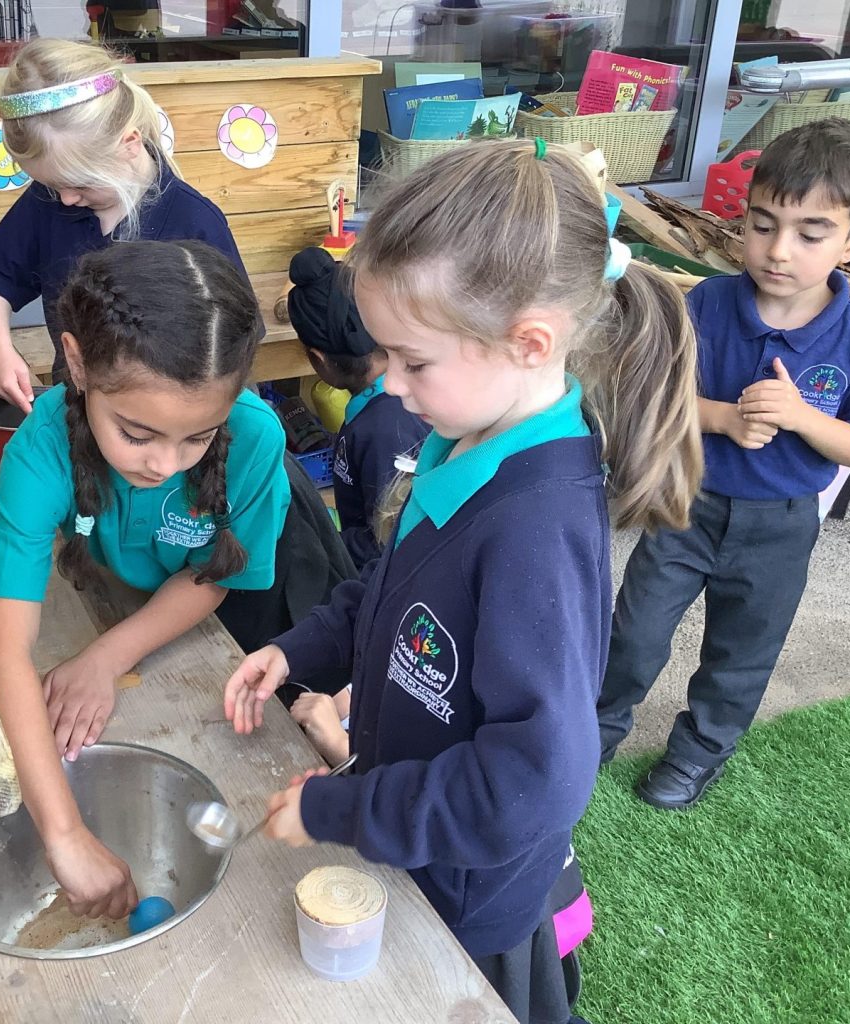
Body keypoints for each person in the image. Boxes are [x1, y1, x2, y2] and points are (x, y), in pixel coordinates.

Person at [223, 139, 703, 1024]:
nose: (388, 384)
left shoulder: (535, 530)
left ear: (529, 342)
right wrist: (298, 651)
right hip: (417, 844)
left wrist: (343, 809)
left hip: (468, 899)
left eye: (413, 361)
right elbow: (394, 591)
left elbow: (535, 780)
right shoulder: (463, 441)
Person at [595, 118, 850, 809]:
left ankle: (698, 753)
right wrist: (724, 418)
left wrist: (801, 416)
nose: (777, 250)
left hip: (780, 525)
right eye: (762, 225)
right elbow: (656, 398)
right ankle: (593, 732)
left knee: (741, 652)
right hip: (686, 503)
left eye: (810, 234)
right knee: (634, 632)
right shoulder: (706, 304)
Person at [0, 240, 287, 917]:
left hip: (243, 620)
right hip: (124, 587)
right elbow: (3, 649)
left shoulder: (255, 438)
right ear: (77, 362)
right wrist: (64, 834)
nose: (165, 466)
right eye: (137, 435)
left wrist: (106, 657)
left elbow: (213, 575)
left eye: (198, 438)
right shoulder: (41, 450)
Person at [0, 38, 249, 404]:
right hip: (78, 405)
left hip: (169, 420)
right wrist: (0, 351)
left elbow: (236, 342)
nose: (66, 199)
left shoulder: (195, 222)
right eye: (53, 185)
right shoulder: (48, 201)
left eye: (80, 184)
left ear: (129, 144)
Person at [286, 246, 429, 570]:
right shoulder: (380, 411)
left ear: (317, 359)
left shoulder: (384, 430)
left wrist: (318, 539)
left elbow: (386, 541)